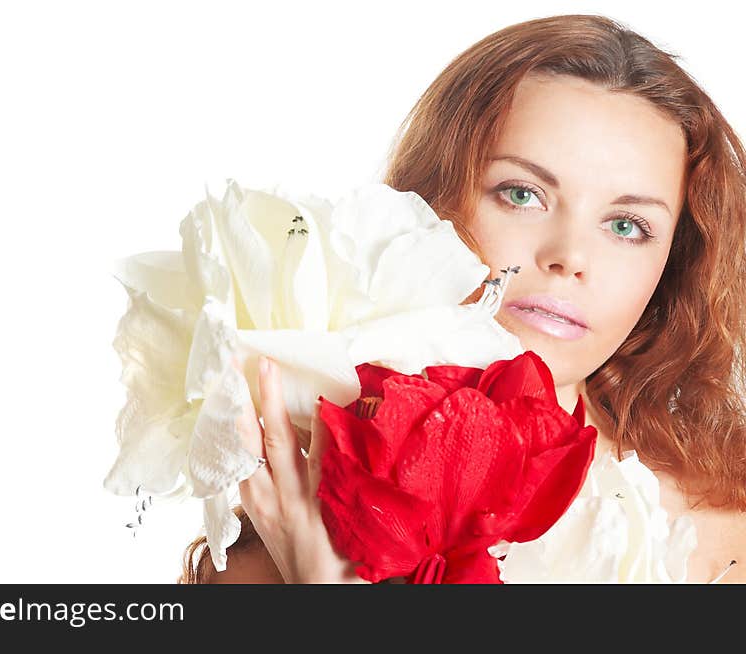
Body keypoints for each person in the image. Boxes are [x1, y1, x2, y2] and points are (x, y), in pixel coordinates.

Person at [178, 13, 746, 584]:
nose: (569, 256)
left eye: (626, 226)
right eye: (522, 194)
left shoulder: (725, 538)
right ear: (433, 202)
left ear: (672, 264)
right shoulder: (270, 550)